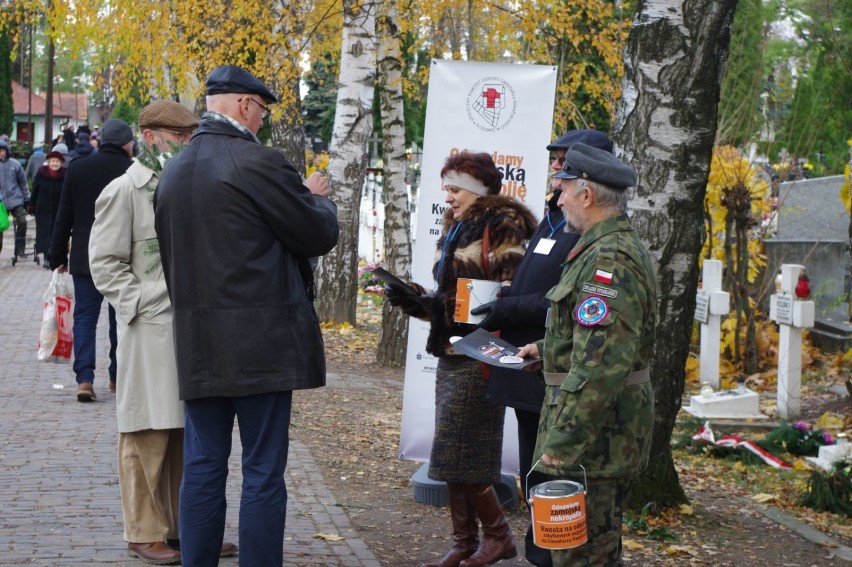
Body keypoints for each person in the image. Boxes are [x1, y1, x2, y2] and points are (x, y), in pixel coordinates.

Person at [154, 65, 339, 566]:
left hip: (198, 343)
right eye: (260, 111)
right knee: (261, 470)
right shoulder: (257, 163)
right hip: (261, 346)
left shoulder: (172, 170)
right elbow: (315, 234)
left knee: (203, 466)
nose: (261, 122)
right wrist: (317, 200)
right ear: (242, 105)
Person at [89, 100, 235, 565]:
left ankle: (181, 528)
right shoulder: (124, 191)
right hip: (149, 330)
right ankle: (142, 531)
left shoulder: (186, 184)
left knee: (181, 432)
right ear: (151, 136)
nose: (188, 144)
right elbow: (104, 264)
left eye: (191, 136)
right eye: (180, 136)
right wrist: (142, 303)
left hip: (190, 327)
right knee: (144, 432)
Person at [385, 151, 536, 567]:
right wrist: (413, 299)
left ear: (474, 190)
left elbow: (510, 295)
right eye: (447, 188)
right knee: (451, 452)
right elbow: (450, 300)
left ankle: (498, 537)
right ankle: (463, 543)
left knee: (461, 449)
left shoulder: (503, 225)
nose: (447, 196)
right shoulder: (458, 228)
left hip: (482, 353)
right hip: (453, 352)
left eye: (453, 188)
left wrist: (474, 317)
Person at [474, 130, 614, 567]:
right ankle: (540, 550)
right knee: (532, 464)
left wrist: (510, 308)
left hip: (554, 368)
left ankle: (547, 552)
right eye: (555, 160)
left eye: (563, 162)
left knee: (552, 470)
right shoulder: (557, 214)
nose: (556, 169)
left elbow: (566, 300)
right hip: (527, 359)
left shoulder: (590, 230)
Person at [517, 143, 657, 567]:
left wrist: (561, 447)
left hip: (594, 440)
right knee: (575, 551)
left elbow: (600, 367)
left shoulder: (609, 260)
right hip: (594, 434)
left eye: (563, 190)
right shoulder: (599, 247)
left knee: (581, 556)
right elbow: (594, 336)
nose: (558, 200)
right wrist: (546, 349)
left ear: (587, 195)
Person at [50, 118, 135, 401]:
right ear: (126, 143)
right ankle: (116, 376)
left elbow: (65, 216)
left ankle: (84, 379)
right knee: (119, 317)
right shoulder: (132, 171)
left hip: (87, 255)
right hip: (124, 256)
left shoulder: (78, 168)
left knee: (85, 316)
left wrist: (58, 255)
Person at [29, 150, 68, 269]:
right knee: (45, 234)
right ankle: (47, 257)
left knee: (57, 234)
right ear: (48, 162)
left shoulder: (65, 175)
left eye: (57, 162)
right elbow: (35, 190)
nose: (54, 164)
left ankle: (56, 257)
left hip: (59, 210)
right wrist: (31, 205)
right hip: (43, 209)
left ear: (61, 163)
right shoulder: (41, 174)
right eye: (52, 161)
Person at [0, 139, 29, 261]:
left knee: (22, 221)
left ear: (7, 151)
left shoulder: (15, 164)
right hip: (1, 202)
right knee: (0, 226)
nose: (1, 153)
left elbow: (23, 183)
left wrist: (27, 199)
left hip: (15, 199)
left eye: (2, 150)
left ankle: (20, 249)